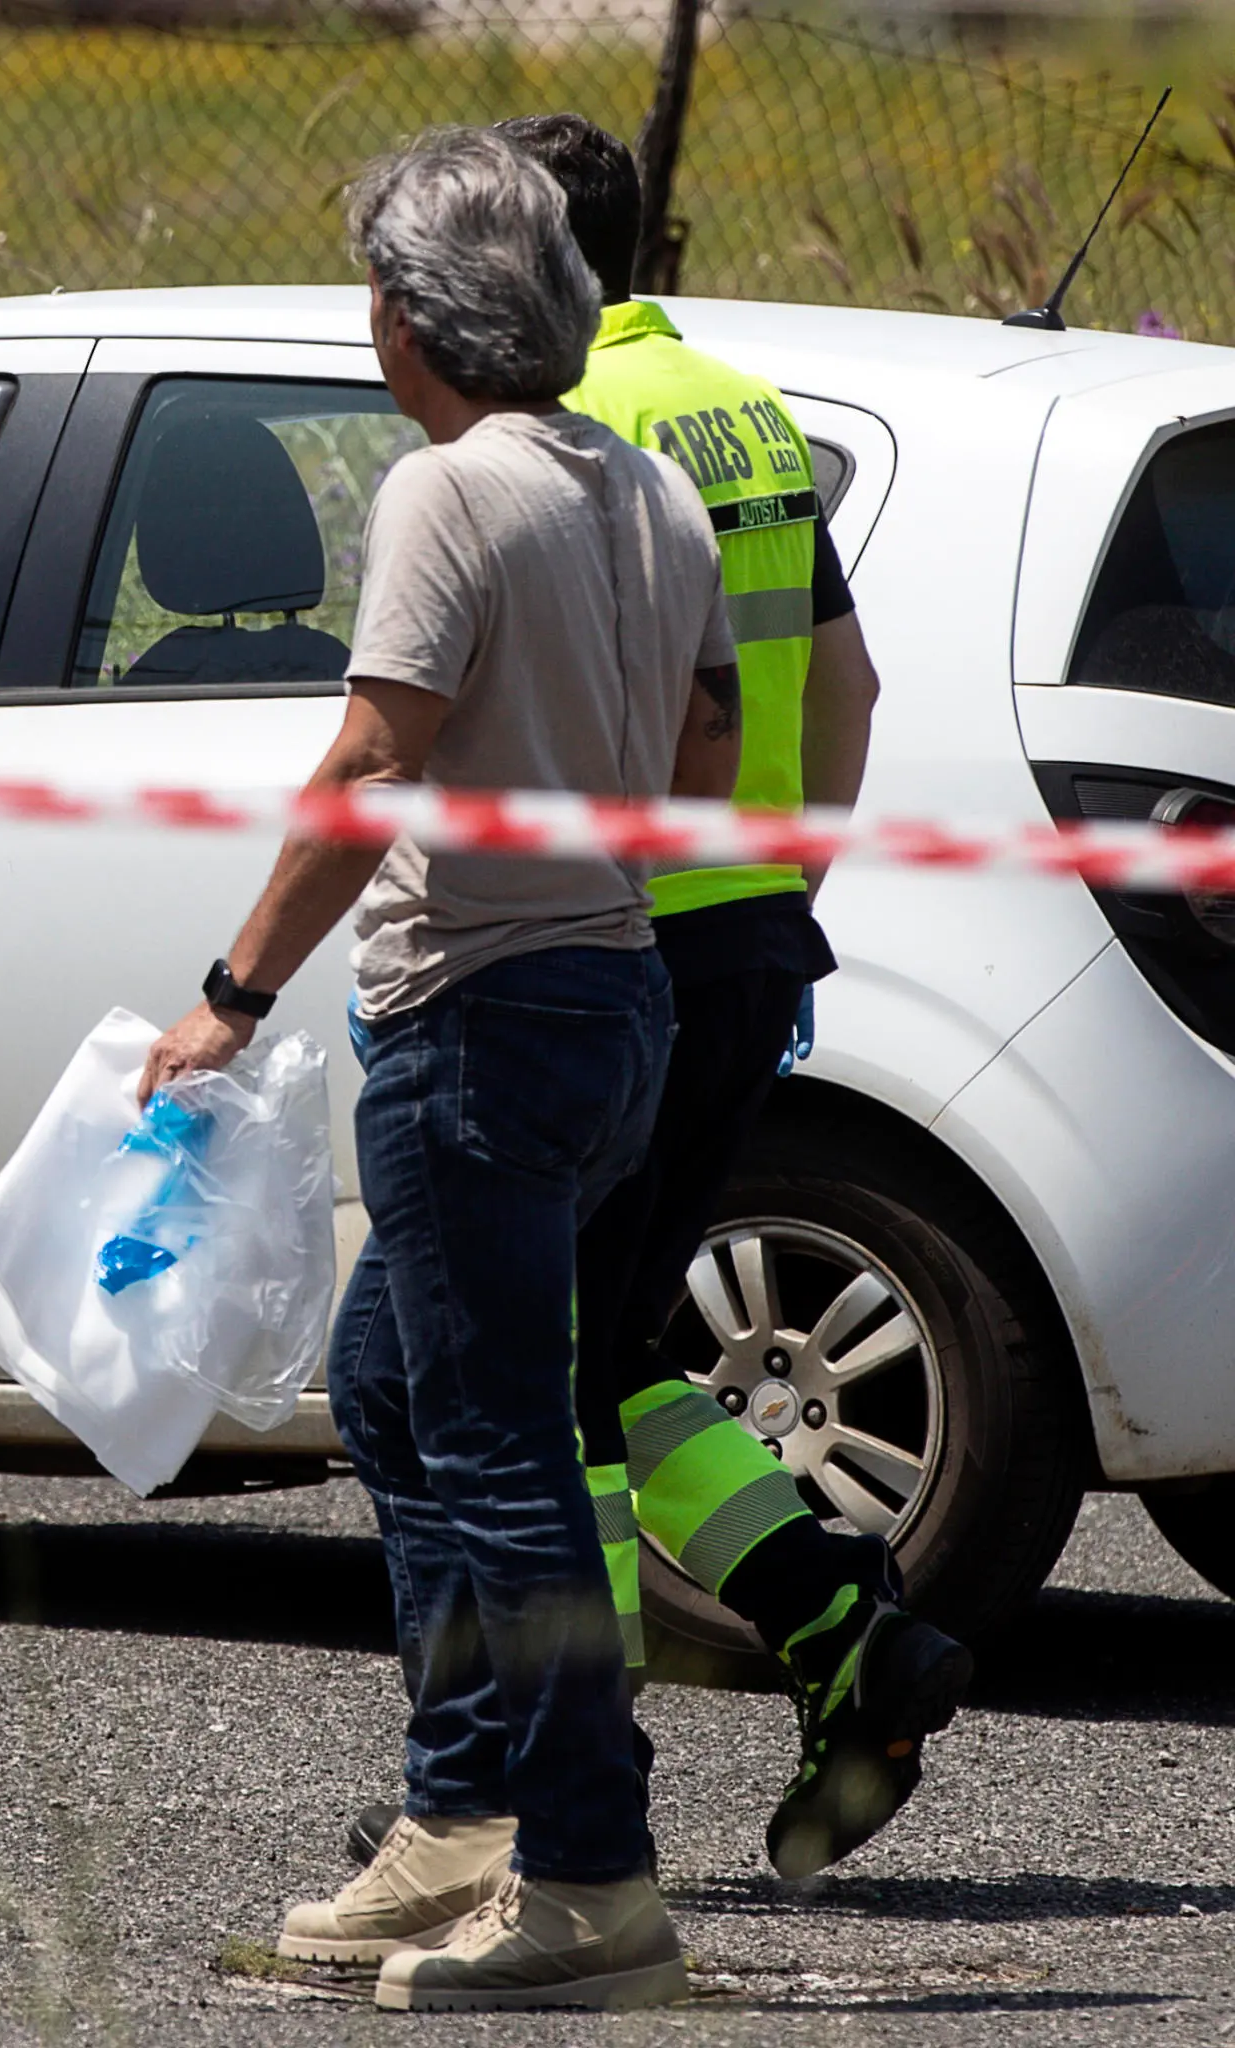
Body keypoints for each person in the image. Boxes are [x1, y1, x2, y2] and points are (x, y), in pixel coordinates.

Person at [141, 128, 742, 2011]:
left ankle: (586, 1873)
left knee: (495, 1451)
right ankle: (464, 1817)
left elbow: (371, 770)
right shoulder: (649, 492)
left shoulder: (448, 492)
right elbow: (712, 760)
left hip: (479, 1019)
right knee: (400, 1393)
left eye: (375, 290)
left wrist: (231, 990)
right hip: (614, 996)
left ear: (411, 316)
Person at [496, 111, 967, 1880]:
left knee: (547, 1372)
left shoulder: (571, 431)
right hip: (745, 930)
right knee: (613, 1349)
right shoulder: (740, 409)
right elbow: (842, 690)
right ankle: (849, 1623)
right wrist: (785, 887)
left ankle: (578, 1774)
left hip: (612, 951)